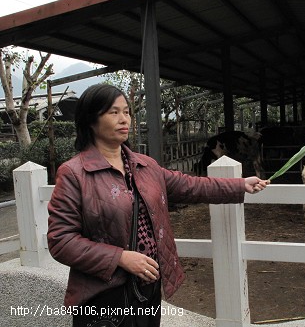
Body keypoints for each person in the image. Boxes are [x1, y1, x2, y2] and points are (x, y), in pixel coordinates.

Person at [47, 83, 269, 327]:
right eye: (113, 112)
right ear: (90, 120)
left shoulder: (145, 165)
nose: (124, 119)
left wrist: (239, 185)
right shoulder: (74, 173)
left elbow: (191, 186)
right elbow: (61, 240)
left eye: (127, 112)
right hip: (105, 295)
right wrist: (119, 258)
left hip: (149, 286)